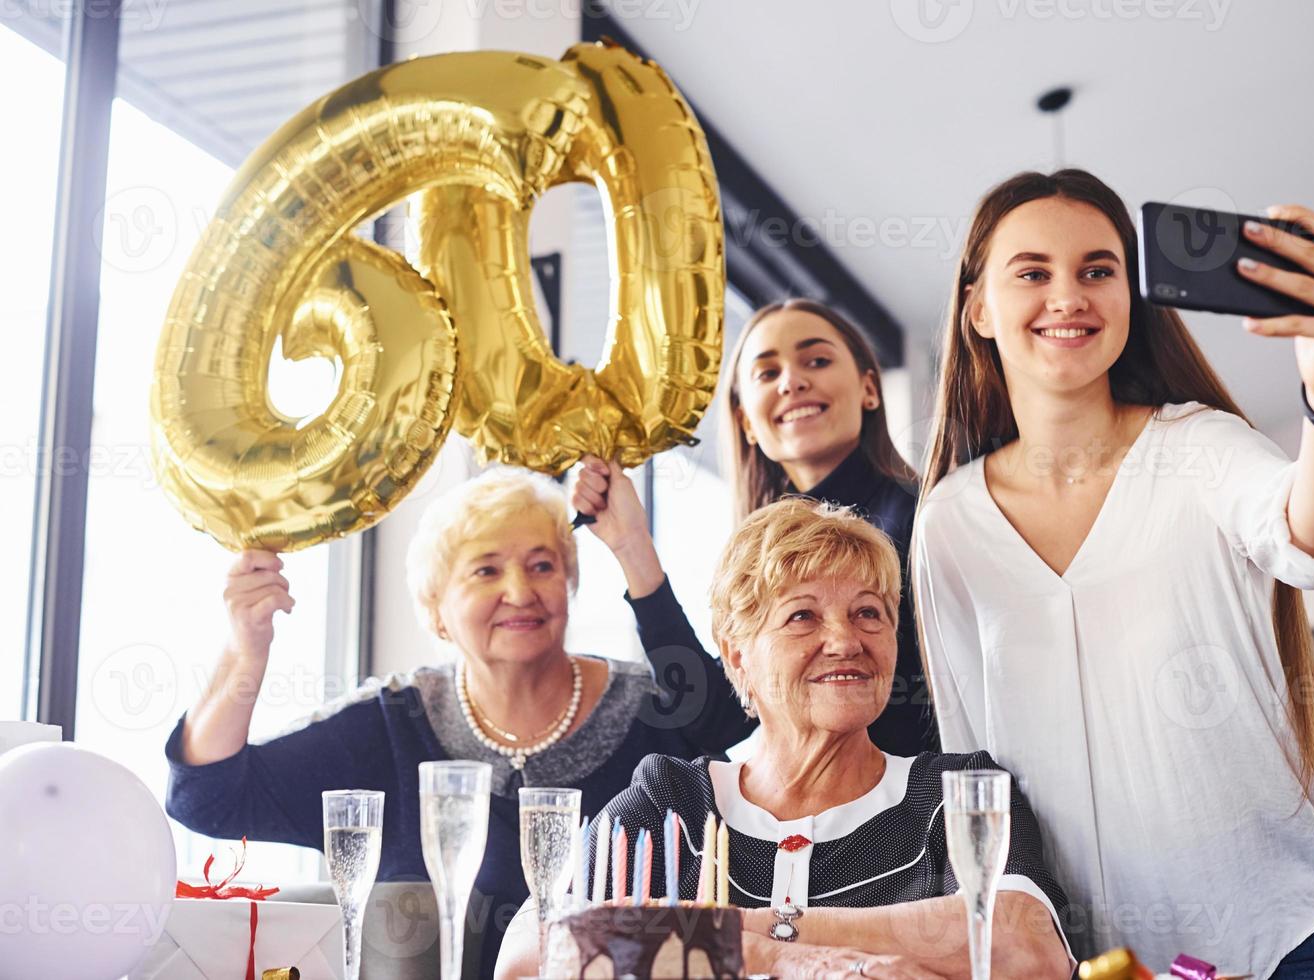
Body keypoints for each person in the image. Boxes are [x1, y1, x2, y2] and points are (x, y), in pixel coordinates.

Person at [914, 169, 1314, 977]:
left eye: (1099, 270)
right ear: (978, 309)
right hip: (1081, 962)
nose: (1069, 296)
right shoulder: (950, 523)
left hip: (1274, 947)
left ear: (1132, 298)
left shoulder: (1199, 449)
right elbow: (969, 763)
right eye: (1033, 272)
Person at [164, 467, 753, 975]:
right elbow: (208, 794)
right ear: (437, 610)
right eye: (486, 571)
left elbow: (731, 717)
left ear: (570, 587)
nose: (520, 591)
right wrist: (246, 650)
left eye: (542, 565)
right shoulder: (390, 724)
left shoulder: (648, 709)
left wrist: (632, 547)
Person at [496, 499, 1074, 980]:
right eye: (803, 617)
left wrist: (735, 939)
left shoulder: (952, 793)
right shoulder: (673, 800)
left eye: (869, 613)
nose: (845, 640)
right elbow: (528, 957)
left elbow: (1025, 949)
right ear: (738, 655)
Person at [573, 298, 938, 755]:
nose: (792, 381)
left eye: (817, 360)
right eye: (767, 374)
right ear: (746, 420)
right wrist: (631, 547)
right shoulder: (762, 552)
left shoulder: (927, 520)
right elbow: (716, 721)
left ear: (869, 390)